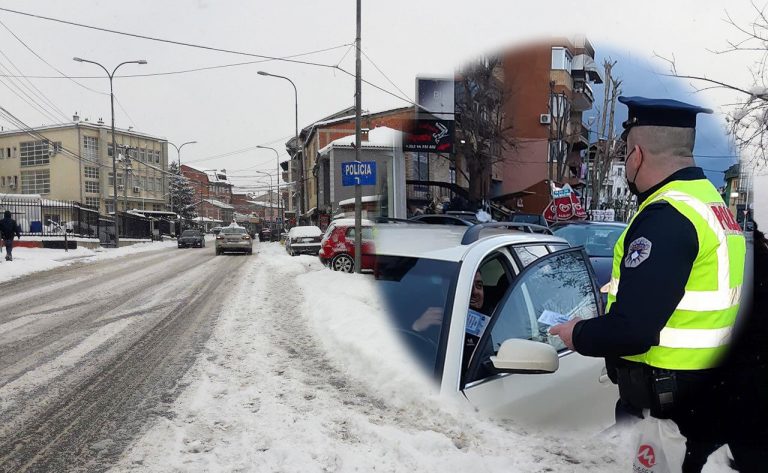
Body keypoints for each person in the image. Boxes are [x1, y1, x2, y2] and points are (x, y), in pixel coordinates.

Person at [549, 96, 747, 473]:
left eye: (625, 156)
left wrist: (579, 333)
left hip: (662, 420)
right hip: (700, 402)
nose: (626, 164)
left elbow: (633, 330)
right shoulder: (711, 205)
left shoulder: (667, 216)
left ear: (636, 155)